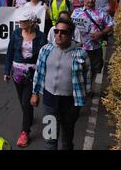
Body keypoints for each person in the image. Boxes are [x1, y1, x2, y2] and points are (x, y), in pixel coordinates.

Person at [31, 18, 91, 150]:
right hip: (49, 102)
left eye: (63, 32)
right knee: (50, 140)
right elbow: (38, 73)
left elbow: (87, 77)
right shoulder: (45, 50)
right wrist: (35, 93)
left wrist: (82, 99)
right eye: (56, 31)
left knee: (67, 141)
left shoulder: (81, 53)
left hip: (70, 104)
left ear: (71, 34)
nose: (59, 34)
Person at [4, 11, 47, 148]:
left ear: (31, 22)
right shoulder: (16, 33)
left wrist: (42, 78)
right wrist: (6, 71)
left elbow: (43, 58)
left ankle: (25, 132)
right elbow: (10, 52)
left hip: (32, 75)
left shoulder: (41, 37)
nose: (20, 22)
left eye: (23, 21)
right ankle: (28, 117)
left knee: (26, 102)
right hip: (17, 74)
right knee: (23, 102)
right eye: (20, 21)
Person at [71, 0, 114, 86]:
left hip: (96, 47)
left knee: (95, 68)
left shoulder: (101, 13)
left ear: (95, 0)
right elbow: (70, 26)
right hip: (80, 47)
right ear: (84, 0)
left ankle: (89, 86)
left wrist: (101, 33)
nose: (90, 1)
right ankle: (83, 87)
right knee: (80, 68)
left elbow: (110, 25)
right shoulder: (76, 12)